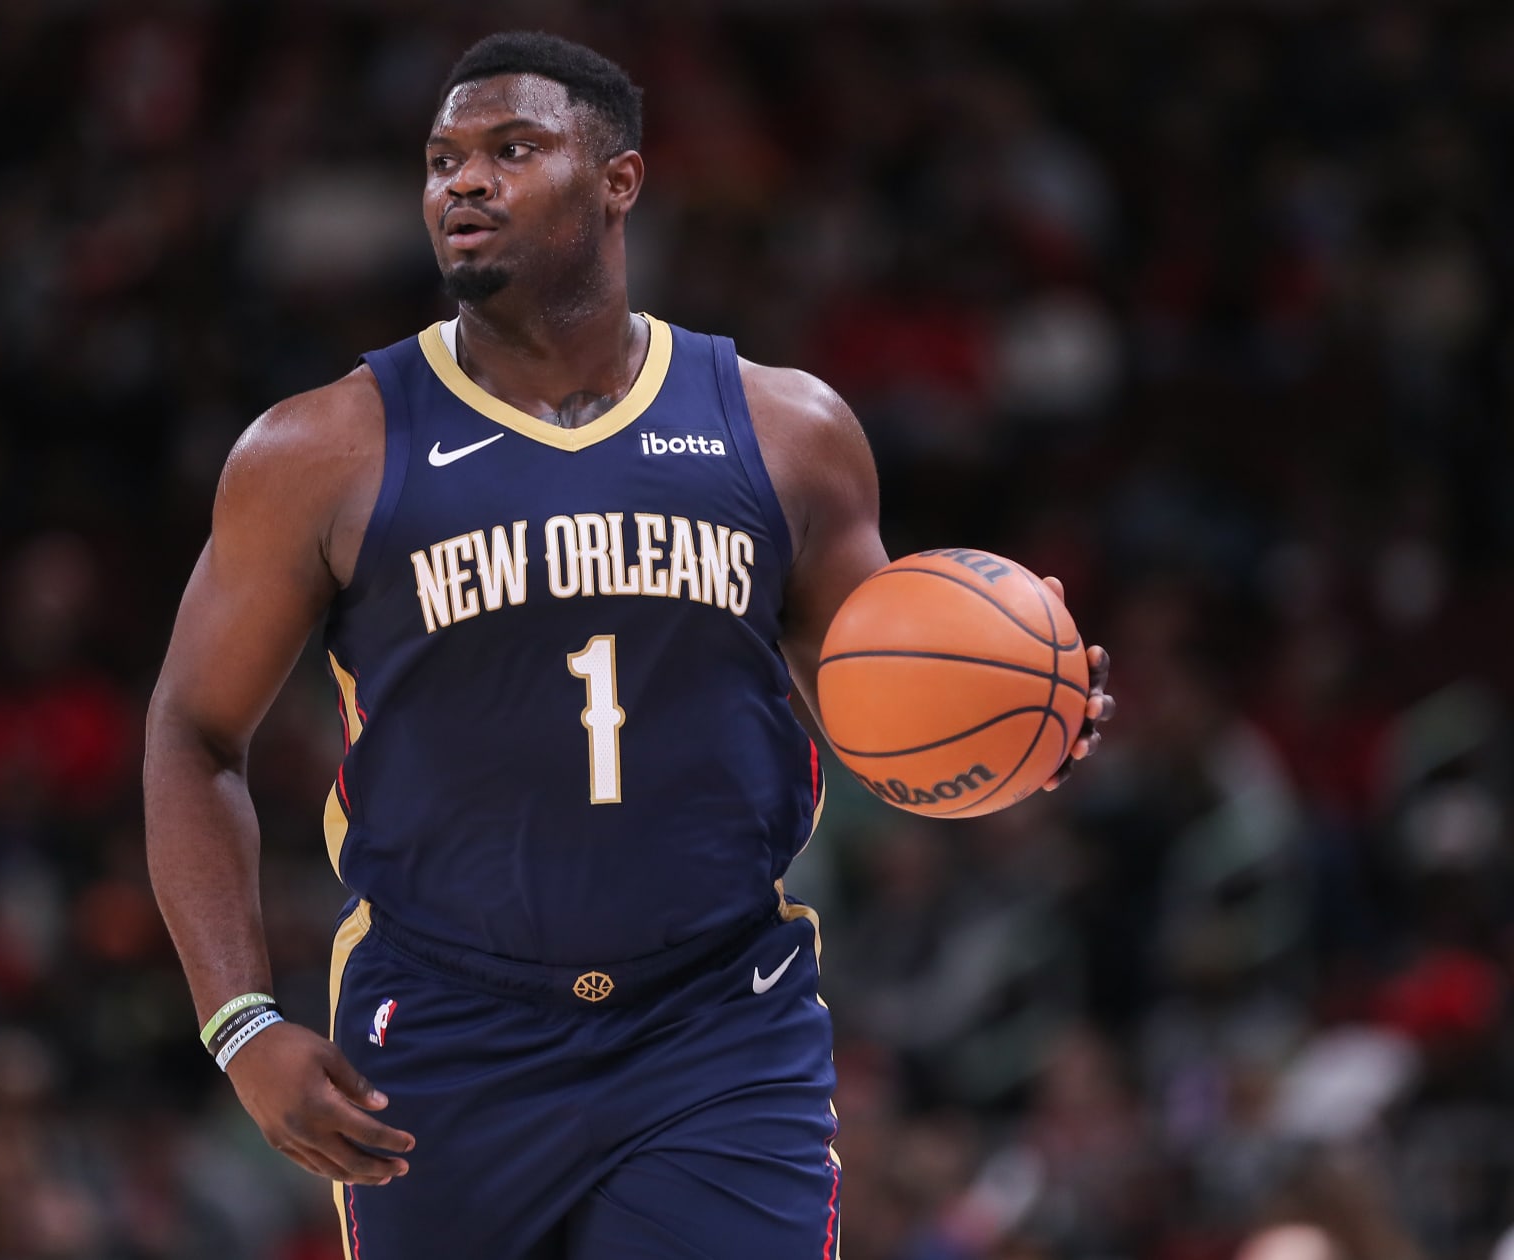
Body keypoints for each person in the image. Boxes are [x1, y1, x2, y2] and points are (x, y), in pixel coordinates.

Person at [143, 31, 1112, 1260]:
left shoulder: (790, 430)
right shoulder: (318, 452)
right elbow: (190, 731)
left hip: (717, 1021)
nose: (463, 183)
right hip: (446, 1027)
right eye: (443, 160)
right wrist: (238, 1022)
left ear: (620, 181)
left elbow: (888, 719)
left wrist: (1029, 710)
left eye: (512, 149)